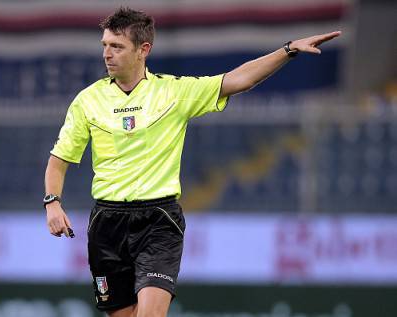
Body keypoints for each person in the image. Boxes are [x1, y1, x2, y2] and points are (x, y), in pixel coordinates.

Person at [43, 6, 340, 317]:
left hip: (158, 221)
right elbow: (59, 160)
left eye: (117, 46)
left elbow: (238, 80)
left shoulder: (174, 91)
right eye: (104, 45)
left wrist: (288, 50)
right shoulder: (87, 101)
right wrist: (52, 202)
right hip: (107, 223)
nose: (107, 54)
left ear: (143, 50)